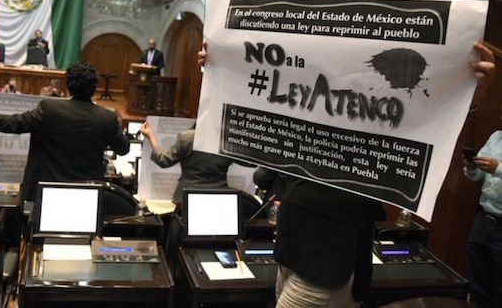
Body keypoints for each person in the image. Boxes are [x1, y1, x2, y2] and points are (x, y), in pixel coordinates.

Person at [198, 40, 496, 307]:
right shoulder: (308, 120)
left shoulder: (373, 129)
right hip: (290, 255)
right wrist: (220, 68)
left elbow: (422, 123)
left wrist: (468, 97)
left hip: (326, 270)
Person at [0, 60, 130, 202]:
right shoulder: (107, 118)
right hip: (87, 195)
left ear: (67, 84)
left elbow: (8, 124)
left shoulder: (49, 109)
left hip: (46, 192)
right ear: (94, 86)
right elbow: (123, 149)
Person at [463, 86, 501, 305]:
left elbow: (495, 168)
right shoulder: (496, 137)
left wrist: (497, 167)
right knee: (478, 285)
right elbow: (476, 176)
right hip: (483, 221)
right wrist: (471, 166)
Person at [139, 121, 237, 203]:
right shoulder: (229, 140)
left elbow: (164, 160)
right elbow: (247, 163)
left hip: (186, 197)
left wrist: (150, 136)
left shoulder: (188, 137)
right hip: (220, 197)